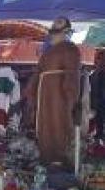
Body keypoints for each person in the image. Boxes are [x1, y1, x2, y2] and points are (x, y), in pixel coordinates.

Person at [23, 16, 82, 167]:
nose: (55, 23)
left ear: (67, 30)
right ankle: (46, 161)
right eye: (55, 21)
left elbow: (72, 74)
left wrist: (71, 96)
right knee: (44, 128)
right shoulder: (47, 51)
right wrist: (31, 91)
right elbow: (38, 72)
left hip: (59, 95)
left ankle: (59, 162)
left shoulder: (71, 49)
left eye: (60, 22)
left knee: (58, 125)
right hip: (44, 95)